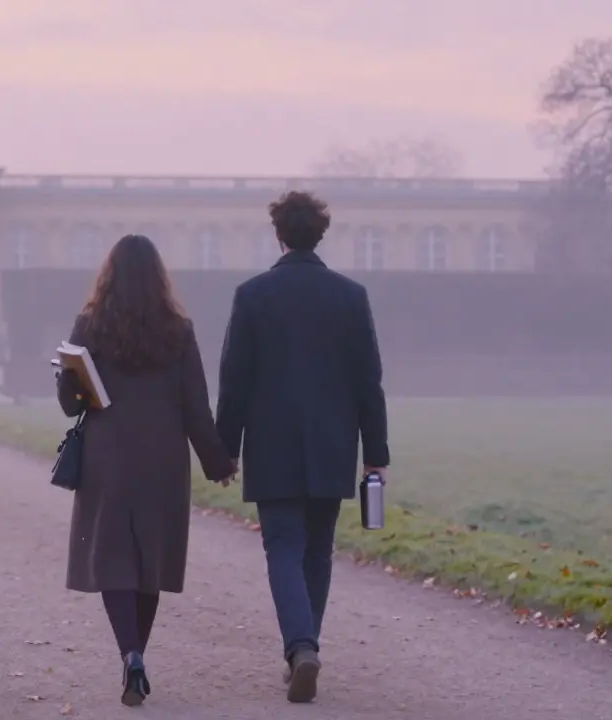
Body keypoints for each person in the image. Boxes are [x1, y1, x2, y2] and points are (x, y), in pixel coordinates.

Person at [214, 191, 389, 704]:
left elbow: (234, 381)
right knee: (317, 550)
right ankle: (304, 647)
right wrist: (375, 452)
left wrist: (225, 448)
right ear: (320, 233)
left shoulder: (253, 295)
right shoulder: (350, 296)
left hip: (273, 446)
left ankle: (301, 647)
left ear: (279, 234)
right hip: (334, 443)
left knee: (283, 548)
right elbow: (368, 382)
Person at [56, 234, 236, 707]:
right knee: (149, 559)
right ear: (159, 278)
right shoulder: (178, 329)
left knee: (113, 555)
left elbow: (69, 402)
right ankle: (137, 651)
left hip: (107, 454)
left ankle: (131, 653)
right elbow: (195, 404)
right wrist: (217, 462)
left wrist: (68, 377)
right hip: (163, 456)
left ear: (108, 274)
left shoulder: (89, 325)